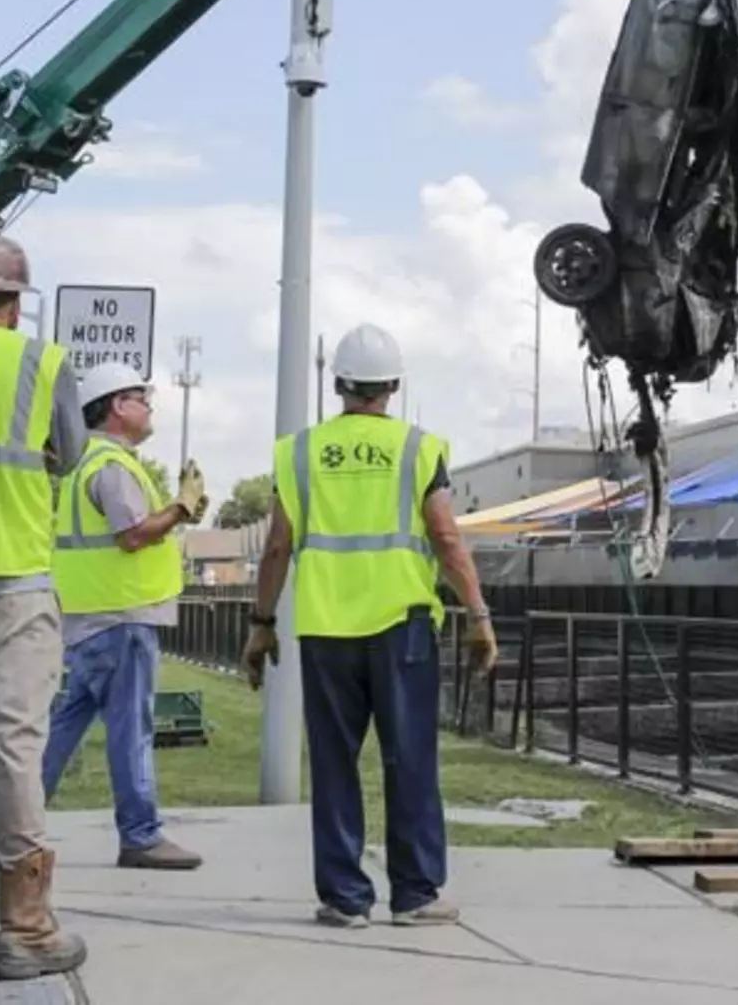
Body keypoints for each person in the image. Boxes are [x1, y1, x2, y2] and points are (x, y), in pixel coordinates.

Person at [241, 323, 498, 929]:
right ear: (393, 386)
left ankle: (344, 899)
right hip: (401, 629)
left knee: (334, 763)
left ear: (338, 386)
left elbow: (277, 546)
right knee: (409, 760)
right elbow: (445, 537)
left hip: (327, 630)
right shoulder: (418, 448)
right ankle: (414, 896)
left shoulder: (298, 452)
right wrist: (478, 614)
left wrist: (261, 624)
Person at [0, 235, 88, 982]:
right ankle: (25, 930)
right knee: (12, 753)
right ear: (13, 303)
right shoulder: (43, 363)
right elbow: (69, 450)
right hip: (9, 585)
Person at [44, 357, 208, 870]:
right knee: (131, 729)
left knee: (65, 724)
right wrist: (181, 507)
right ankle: (140, 835)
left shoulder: (83, 464)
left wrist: (177, 510)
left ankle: (12, 818)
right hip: (122, 621)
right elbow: (133, 534)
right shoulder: (113, 467)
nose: (148, 407)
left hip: (91, 617)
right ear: (118, 406)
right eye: (142, 399)